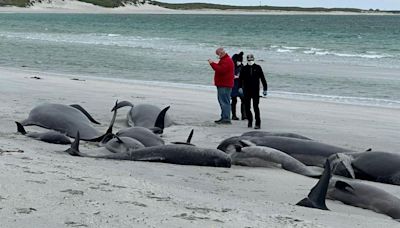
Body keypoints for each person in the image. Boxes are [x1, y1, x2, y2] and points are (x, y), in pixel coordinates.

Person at [238, 54, 268, 129]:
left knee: (256, 107)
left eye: (251, 60)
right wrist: (240, 88)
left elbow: (262, 78)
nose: (250, 61)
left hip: (255, 91)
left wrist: (265, 89)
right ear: (247, 60)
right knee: (247, 107)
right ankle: (250, 121)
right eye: (248, 60)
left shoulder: (258, 67)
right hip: (246, 90)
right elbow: (240, 79)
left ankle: (258, 123)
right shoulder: (244, 68)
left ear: (253, 59)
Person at [208, 47, 234, 124]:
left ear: (221, 53)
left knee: (224, 101)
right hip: (223, 84)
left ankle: (226, 118)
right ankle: (224, 117)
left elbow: (220, 70)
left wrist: (212, 63)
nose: (218, 56)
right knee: (224, 101)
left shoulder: (227, 60)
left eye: (218, 55)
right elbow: (220, 68)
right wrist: (214, 64)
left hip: (224, 85)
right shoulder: (225, 60)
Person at [230, 52, 247, 120]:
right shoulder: (231, 66)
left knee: (244, 100)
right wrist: (234, 76)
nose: (239, 62)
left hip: (241, 86)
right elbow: (227, 75)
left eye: (240, 61)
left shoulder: (242, 66)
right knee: (234, 100)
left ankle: (244, 115)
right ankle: (234, 115)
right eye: (238, 61)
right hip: (233, 85)